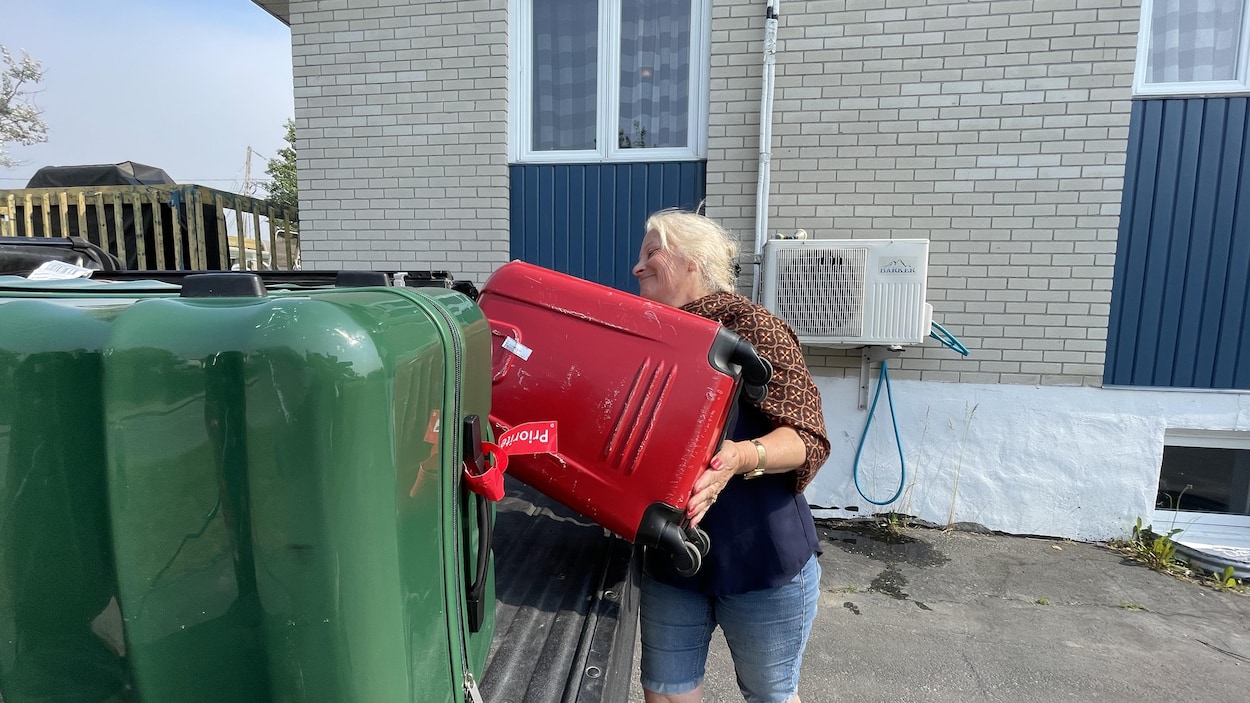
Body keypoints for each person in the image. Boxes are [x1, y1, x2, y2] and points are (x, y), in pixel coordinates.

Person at [631, 208, 831, 703]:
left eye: (651, 252)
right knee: (666, 692)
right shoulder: (639, 334)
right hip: (674, 560)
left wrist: (741, 456)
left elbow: (808, 439)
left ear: (694, 261)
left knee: (770, 695)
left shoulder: (752, 327)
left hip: (761, 562)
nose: (636, 268)